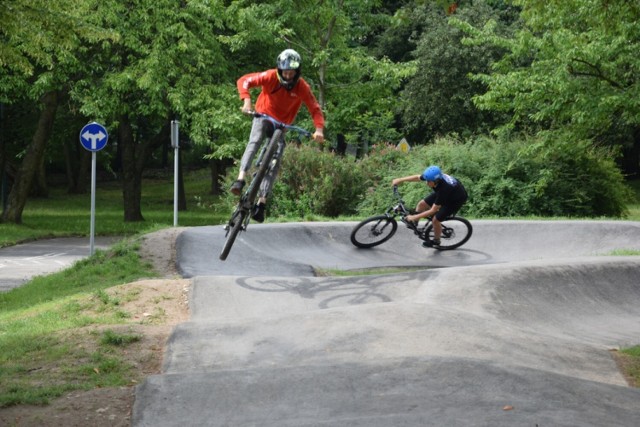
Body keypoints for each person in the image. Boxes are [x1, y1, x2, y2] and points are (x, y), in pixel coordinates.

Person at [231, 48, 325, 223]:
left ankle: (261, 203)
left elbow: (315, 108)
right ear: (280, 70)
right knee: (255, 140)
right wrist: (247, 100)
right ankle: (240, 179)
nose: (288, 76)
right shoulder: (270, 76)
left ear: (297, 72)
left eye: (292, 73)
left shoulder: (302, 86)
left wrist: (319, 129)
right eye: (285, 72)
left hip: (282, 125)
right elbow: (244, 80)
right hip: (263, 115)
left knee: (276, 160)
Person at [392, 165, 468, 248]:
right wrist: (400, 180)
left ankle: (436, 241)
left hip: (455, 200)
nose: (426, 183)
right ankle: (415, 223)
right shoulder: (433, 178)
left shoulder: (444, 189)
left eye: (428, 181)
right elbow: (417, 177)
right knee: (421, 204)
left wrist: (414, 216)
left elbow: (433, 210)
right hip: (448, 192)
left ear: (436, 181)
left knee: (435, 220)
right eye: (426, 180)